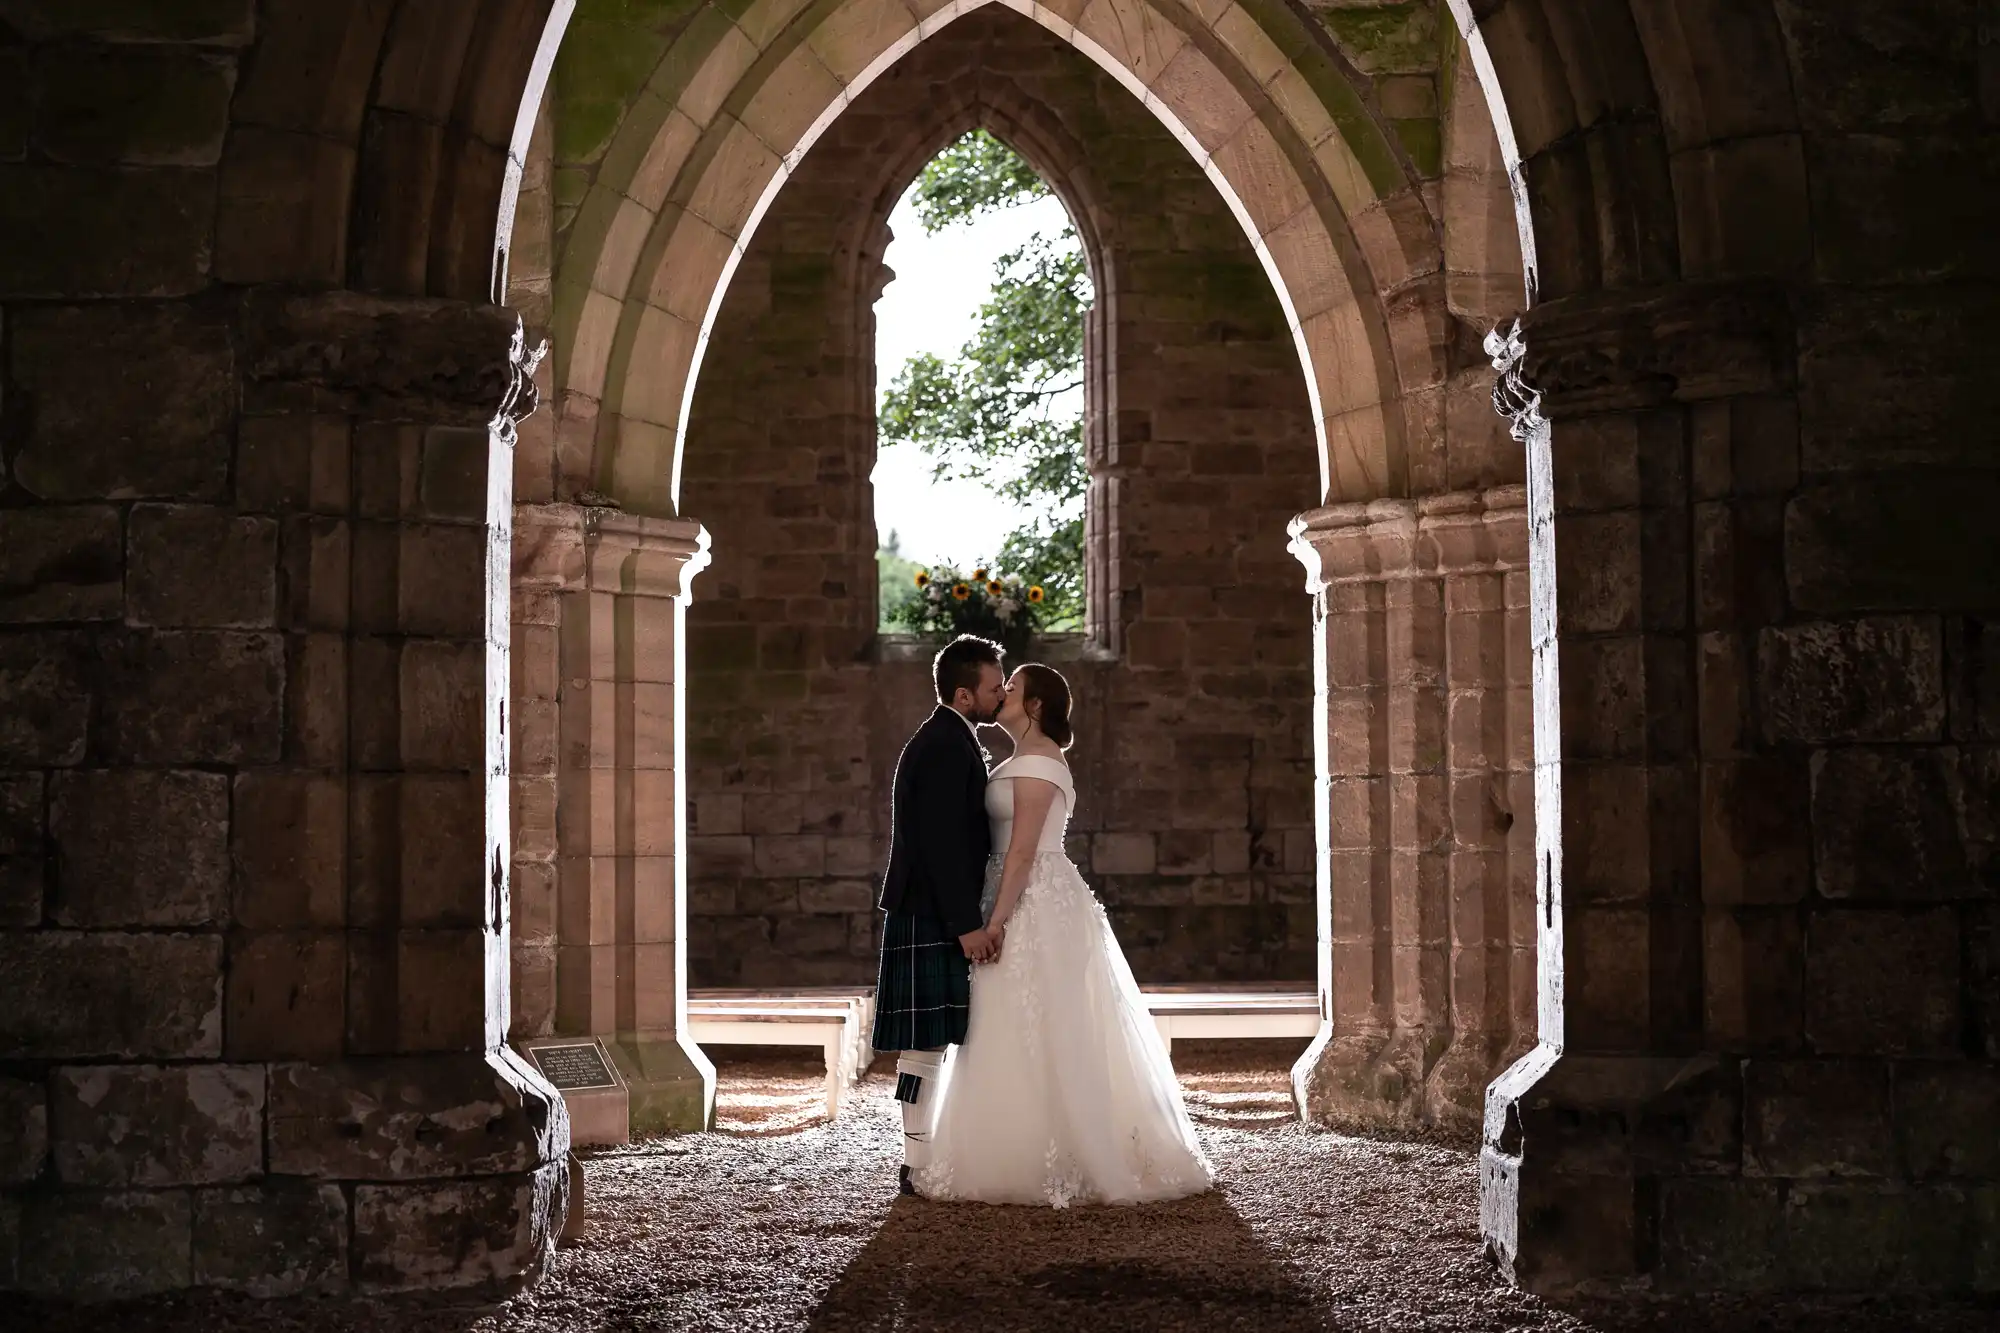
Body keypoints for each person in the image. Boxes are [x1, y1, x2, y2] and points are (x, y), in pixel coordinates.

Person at [912, 662, 1214, 1207]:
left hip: (1035, 900)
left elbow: (1024, 850)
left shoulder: (1041, 763)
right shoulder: (1015, 759)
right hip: (1009, 890)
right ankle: (1008, 1146)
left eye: (1013, 688)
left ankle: (1066, 1155)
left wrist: (997, 921)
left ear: (1034, 706)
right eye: (1000, 685)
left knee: (1052, 1022)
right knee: (1005, 1021)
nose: (1002, 692)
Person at [871, 634, 1008, 1196]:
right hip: (932, 909)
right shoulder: (947, 745)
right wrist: (966, 924)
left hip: (928, 907)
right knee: (924, 1043)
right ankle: (917, 1162)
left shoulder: (948, 736)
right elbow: (943, 844)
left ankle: (918, 1158)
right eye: (994, 687)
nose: (1001, 695)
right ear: (963, 693)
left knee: (924, 1042)